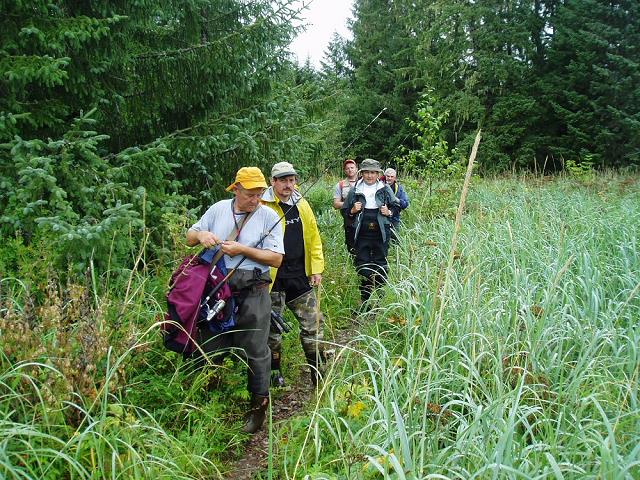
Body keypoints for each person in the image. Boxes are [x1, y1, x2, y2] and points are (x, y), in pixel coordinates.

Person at [186, 167, 284, 434]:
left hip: (255, 290)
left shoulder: (269, 216)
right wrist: (202, 236)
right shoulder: (218, 209)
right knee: (210, 345)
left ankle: (258, 408)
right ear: (236, 188)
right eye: (250, 194)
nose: (256, 199)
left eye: (259, 194)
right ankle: (208, 405)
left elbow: (276, 259)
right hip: (218, 290)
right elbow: (189, 236)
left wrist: (242, 249)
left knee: (255, 349)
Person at [261, 161, 326, 387]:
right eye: (283, 181)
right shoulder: (262, 204)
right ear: (273, 182)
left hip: (300, 276)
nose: (289, 185)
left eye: (292, 180)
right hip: (272, 279)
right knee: (272, 331)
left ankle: (318, 372)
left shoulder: (302, 203)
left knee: (313, 325)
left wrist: (316, 268)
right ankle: (274, 373)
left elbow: (313, 236)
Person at [342, 158, 400, 306]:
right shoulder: (355, 190)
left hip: (381, 232)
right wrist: (352, 210)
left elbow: (396, 206)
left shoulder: (385, 189)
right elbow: (345, 211)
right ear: (362, 173)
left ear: (377, 174)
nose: (370, 176)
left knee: (381, 263)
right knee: (363, 264)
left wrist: (389, 212)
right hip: (361, 233)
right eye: (367, 172)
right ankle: (365, 299)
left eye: (373, 172)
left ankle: (381, 299)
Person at [333, 159, 359, 255]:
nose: (350, 170)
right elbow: (336, 204)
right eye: (347, 168)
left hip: (364, 216)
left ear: (356, 169)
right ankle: (353, 260)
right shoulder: (340, 185)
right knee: (351, 240)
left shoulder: (364, 182)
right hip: (349, 217)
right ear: (344, 171)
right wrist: (351, 206)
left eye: (352, 168)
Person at [383, 168, 410, 241]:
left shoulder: (399, 188)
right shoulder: (379, 185)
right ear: (384, 176)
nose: (390, 178)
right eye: (388, 176)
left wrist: (396, 200)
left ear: (395, 178)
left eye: (392, 177)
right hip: (381, 217)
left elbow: (405, 204)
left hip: (394, 218)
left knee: (395, 240)